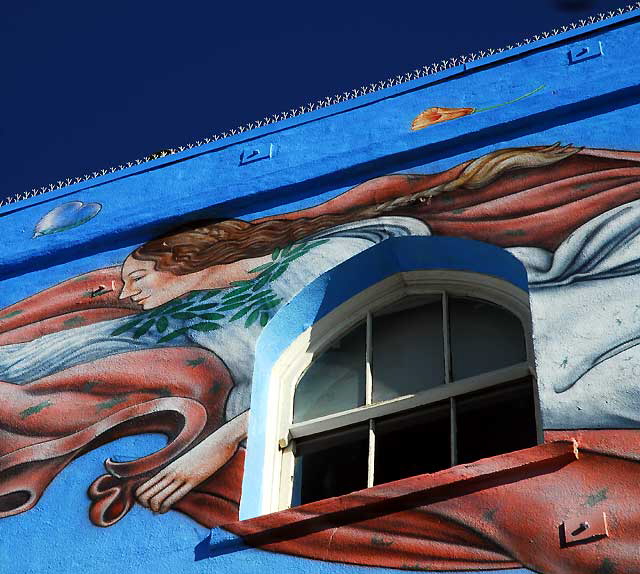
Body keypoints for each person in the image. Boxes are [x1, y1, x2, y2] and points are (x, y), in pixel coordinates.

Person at [2, 143, 640, 533]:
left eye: (135, 273)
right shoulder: (211, 322)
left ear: (182, 255)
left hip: (516, 344)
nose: (125, 289)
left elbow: (358, 342)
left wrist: (218, 445)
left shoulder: (329, 251)